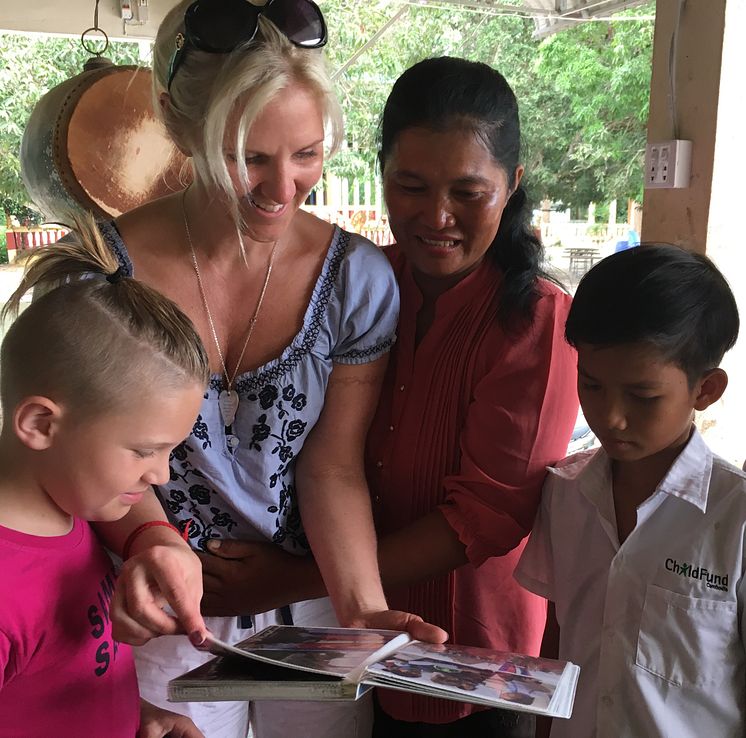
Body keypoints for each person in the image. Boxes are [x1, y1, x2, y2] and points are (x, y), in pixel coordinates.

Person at [201, 56, 579, 737]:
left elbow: (483, 518)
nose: (437, 217)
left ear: (512, 184)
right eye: (410, 185)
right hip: (349, 631)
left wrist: (289, 581)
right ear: (381, 175)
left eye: (470, 193)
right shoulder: (358, 285)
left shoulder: (539, 323)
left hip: (469, 656)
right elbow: (326, 455)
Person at [97, 1, 445, 737]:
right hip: (159, 610)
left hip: (310, 612)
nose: (282, 188)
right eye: (247, 156)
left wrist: (360, 606)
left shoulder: (354, 280)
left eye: (308, 154)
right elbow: (98, 456)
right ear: (177, 120)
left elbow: (332, 467)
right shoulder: (102, 273)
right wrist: (153, 544)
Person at [515, 244, 744, 738]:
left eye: (642, 396)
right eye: (592, 386)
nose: (610, 417)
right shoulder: (564, 495)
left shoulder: (736, 518)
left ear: (705, 390)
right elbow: (557, 638)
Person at [0, 216, 208, 738]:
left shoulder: (71, 517)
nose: (159, 474)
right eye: (143, 451)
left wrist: (138, 716)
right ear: (41, 424)